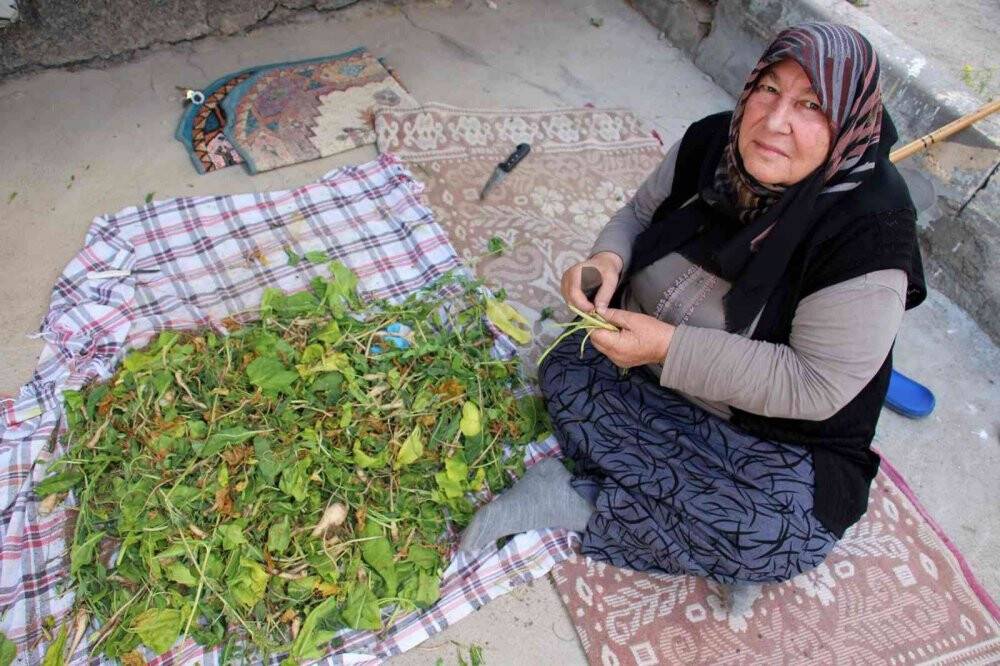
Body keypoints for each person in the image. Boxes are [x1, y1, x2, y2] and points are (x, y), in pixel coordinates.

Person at [458, 22, 925, 600]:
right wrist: (605, 261)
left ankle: (581, 499)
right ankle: (655, 497)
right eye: (770, 90)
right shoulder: (714, 143)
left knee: (779, 532)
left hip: (766, 433)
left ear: (849, 121)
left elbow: (814, 383)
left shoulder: (869, 231)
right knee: (564, 360)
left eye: (811, 105)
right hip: (647, 374)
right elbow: (636, 214)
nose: (776, 121)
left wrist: (667, 348)